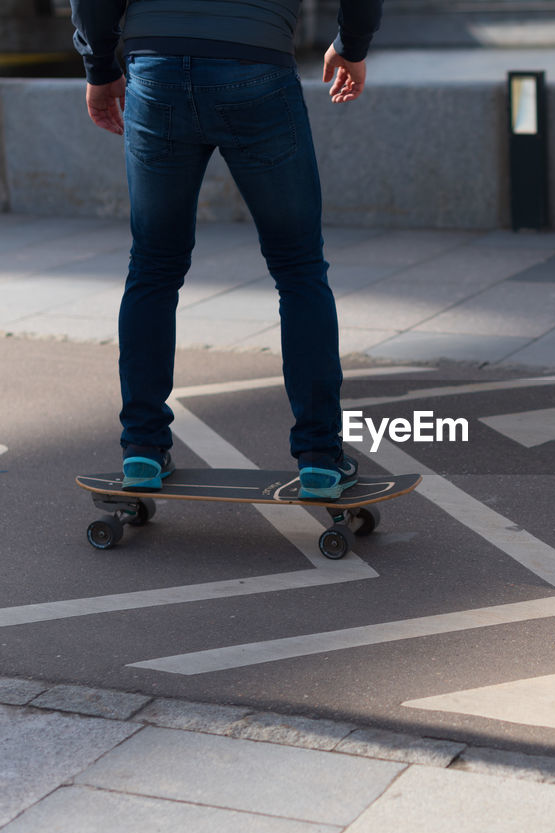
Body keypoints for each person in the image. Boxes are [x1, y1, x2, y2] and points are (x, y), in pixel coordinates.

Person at [69, 0, 382, 498]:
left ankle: (143, 452)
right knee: (299, 271)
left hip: (158, 68)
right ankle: (320, 458)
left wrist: (100, 65)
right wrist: (353, 44)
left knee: (152, 268)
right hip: (256, 65)